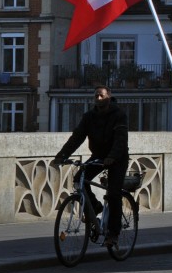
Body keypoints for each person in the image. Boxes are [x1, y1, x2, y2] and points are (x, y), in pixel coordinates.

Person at [54, 85, 128, 247]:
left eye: (102, 96)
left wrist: (112, 157)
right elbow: (77, 137)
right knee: (79, 179)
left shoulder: (119, 115)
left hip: (118, 158)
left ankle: (113, 233)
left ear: (109, 97)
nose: (98, 99)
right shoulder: (89, 117)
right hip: (98, 156)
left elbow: (121, 139)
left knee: (113, 194)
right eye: (96, 96)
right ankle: (95, 206)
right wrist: (62, 156)